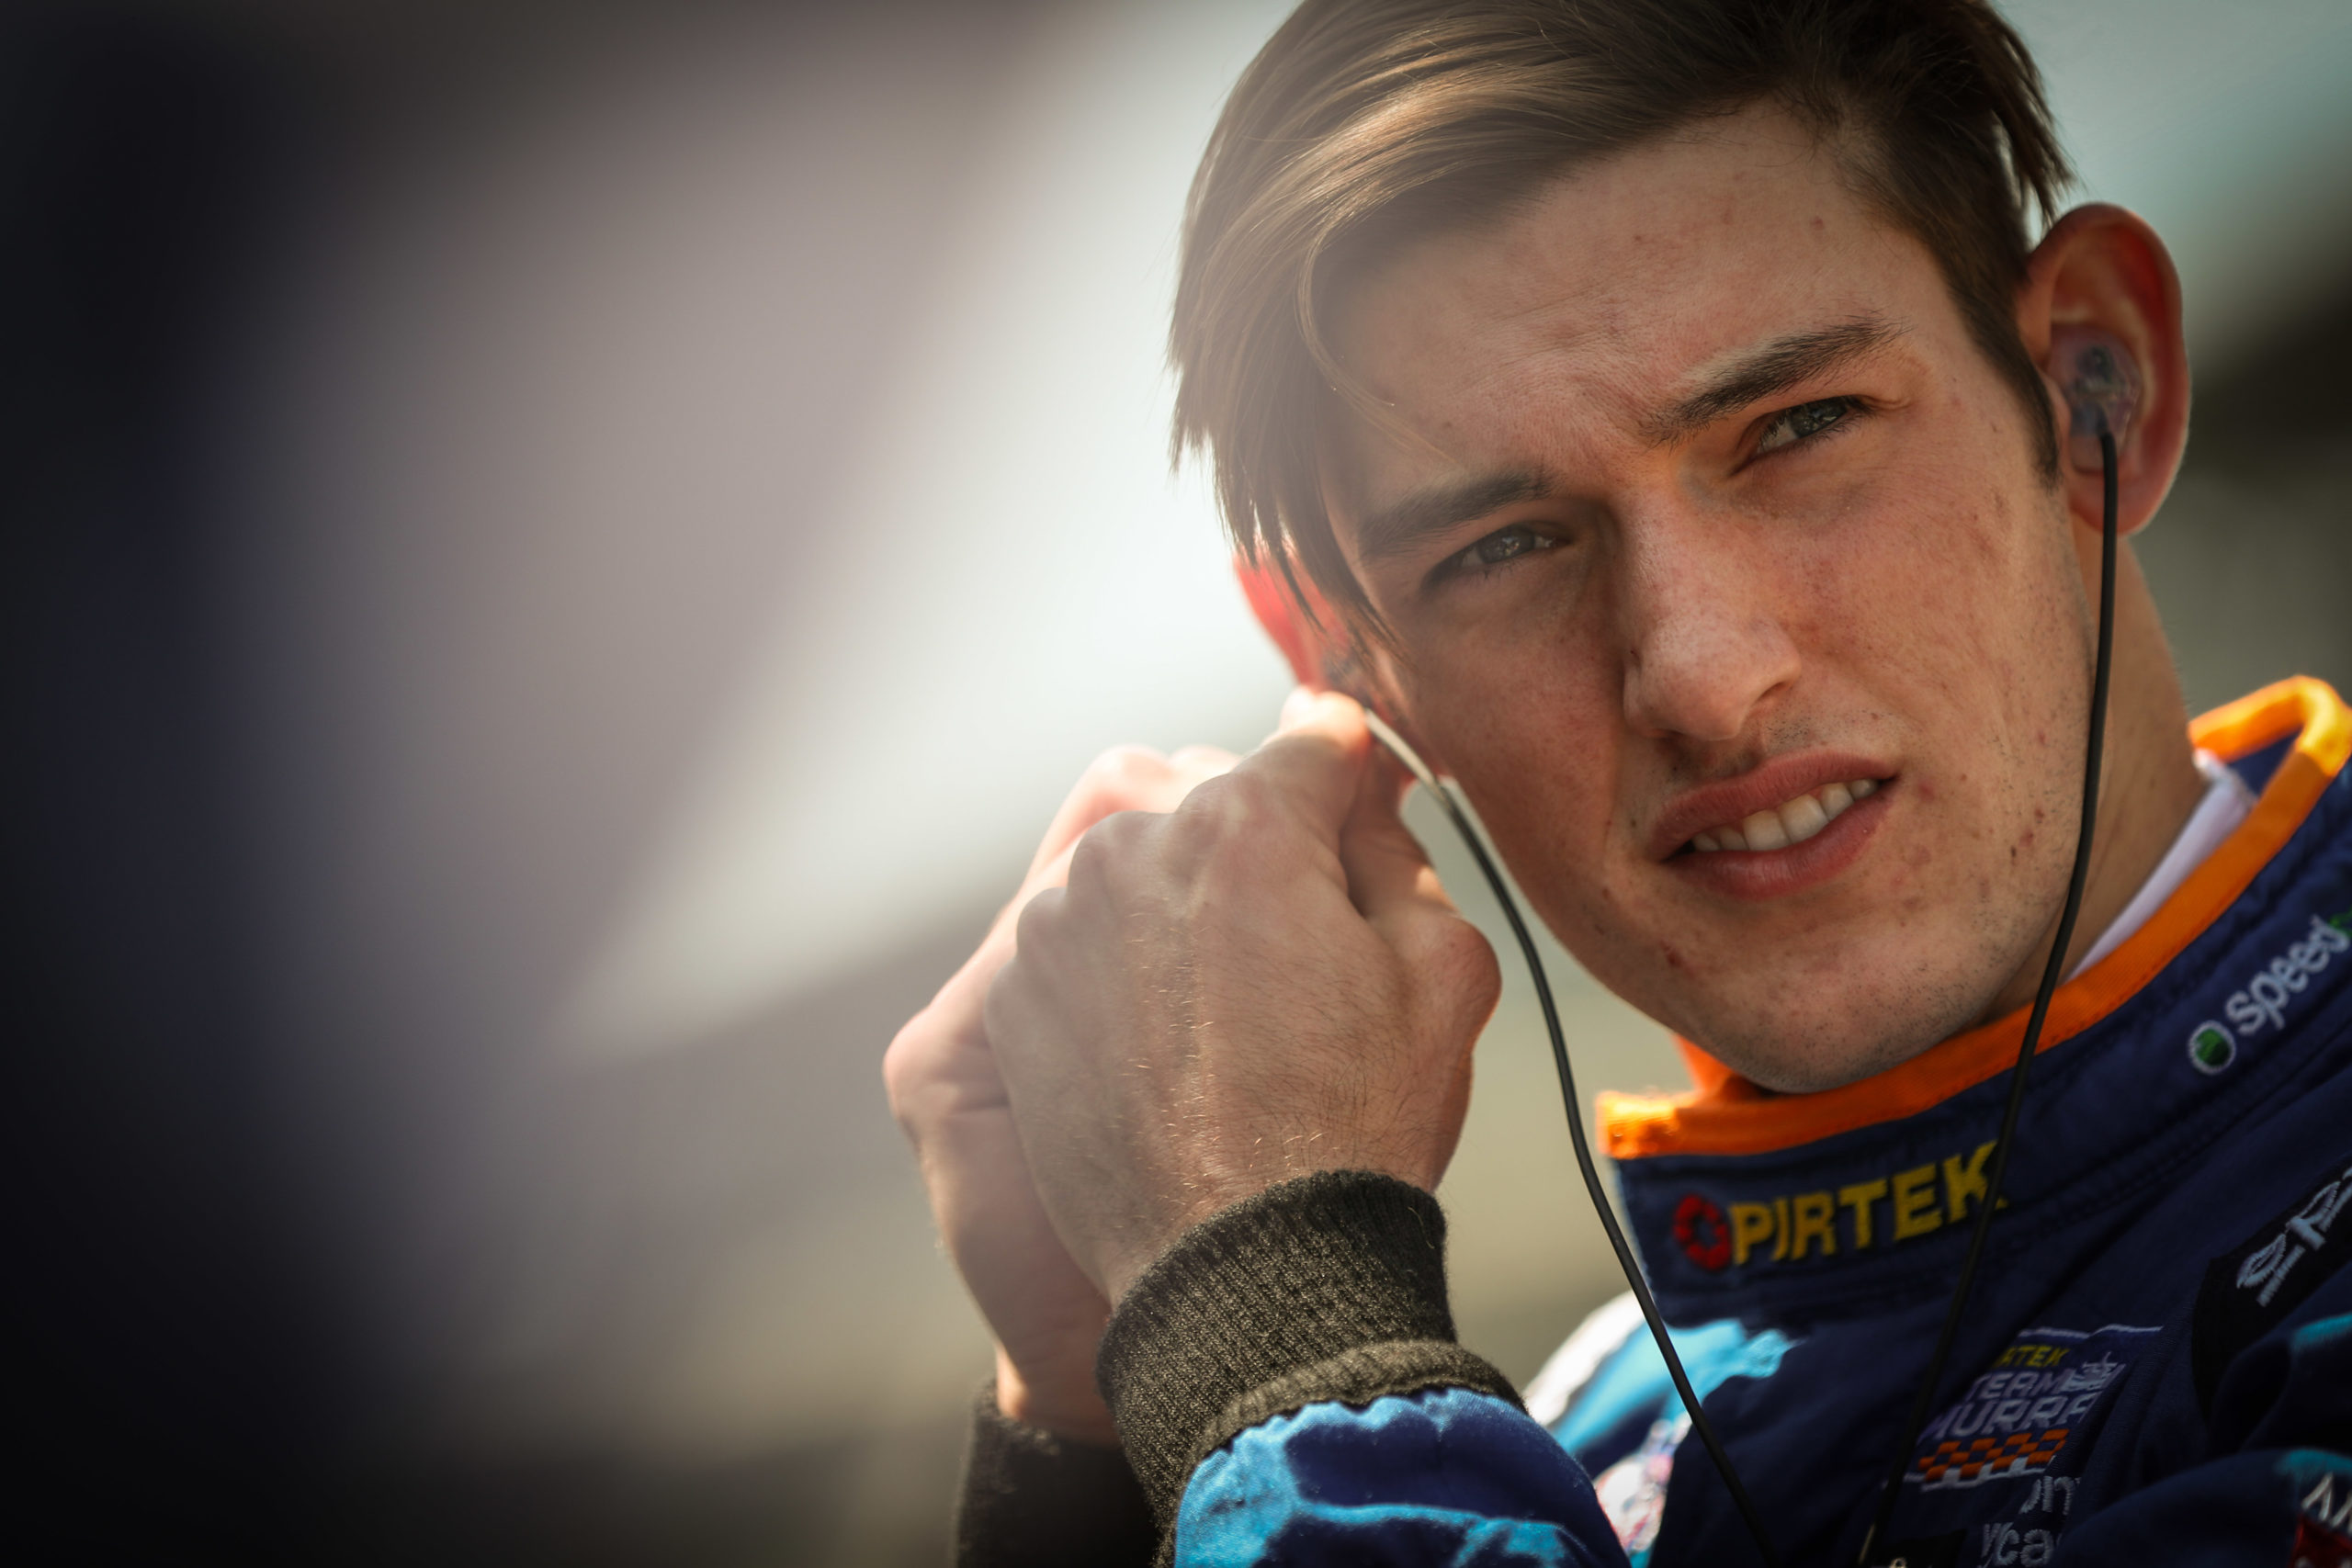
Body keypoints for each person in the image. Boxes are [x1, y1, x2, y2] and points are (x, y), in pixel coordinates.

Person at [883, 2, 2352, 1562]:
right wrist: (1102, 1425)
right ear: (1340, 655)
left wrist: (1279, 1336)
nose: (1702, 678)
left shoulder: (1382, 1441)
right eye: (1503, 547)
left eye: (1798, 427)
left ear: (2094, 384)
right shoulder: (1568, 1434)